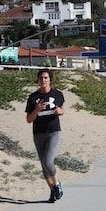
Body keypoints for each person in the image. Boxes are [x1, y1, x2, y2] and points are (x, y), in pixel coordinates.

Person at [25, 69, 66, 202]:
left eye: (46, 78)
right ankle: (53, 190)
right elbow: (29, 119)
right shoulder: (33, 98)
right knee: (43, 165)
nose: (43, 80)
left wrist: (60, 111)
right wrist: (36, 110)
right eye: (41, 78)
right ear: (38, 80)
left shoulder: (57, 94)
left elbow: (62, 109)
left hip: (54, 131)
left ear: (50, 80)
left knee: (48, 161)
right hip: (38, 133)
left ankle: (57, 184)